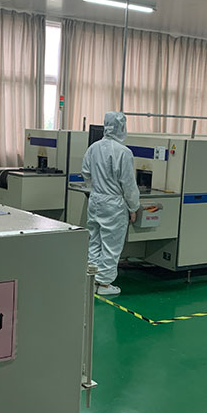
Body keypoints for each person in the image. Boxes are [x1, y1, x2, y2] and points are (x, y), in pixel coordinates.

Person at [82, 112, 140, 296]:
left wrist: (97, 187)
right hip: (113, 204)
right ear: (122, 127)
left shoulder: (93, 148)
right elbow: (129, 184)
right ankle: (104, 284)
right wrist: (134, 207)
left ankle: (91, 280)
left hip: (95, 200)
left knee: (94, 241)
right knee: (111, 244)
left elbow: (85, 172)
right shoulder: (124, 152)